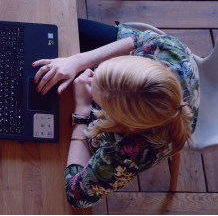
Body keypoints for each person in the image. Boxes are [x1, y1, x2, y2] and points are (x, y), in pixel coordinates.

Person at [32, 20, 199, 208]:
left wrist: (82, 111)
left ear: (126, 125)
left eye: (99, 102)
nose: (90, 75)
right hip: (167, 102)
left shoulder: (125, 153)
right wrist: (76, 61)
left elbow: (76, 196)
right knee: (66, 27)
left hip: (145, 138)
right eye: (100, 71)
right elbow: (137, 38)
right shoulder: (170, 49)